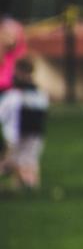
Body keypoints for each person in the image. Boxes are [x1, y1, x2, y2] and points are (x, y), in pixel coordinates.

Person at [0, 56, 49, 190]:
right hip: (33, 135)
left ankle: (27, 185)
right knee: (27, 162)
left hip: (20, 135)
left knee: (16, 163)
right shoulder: (38, 94)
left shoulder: (16, 95)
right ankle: (25, 188)